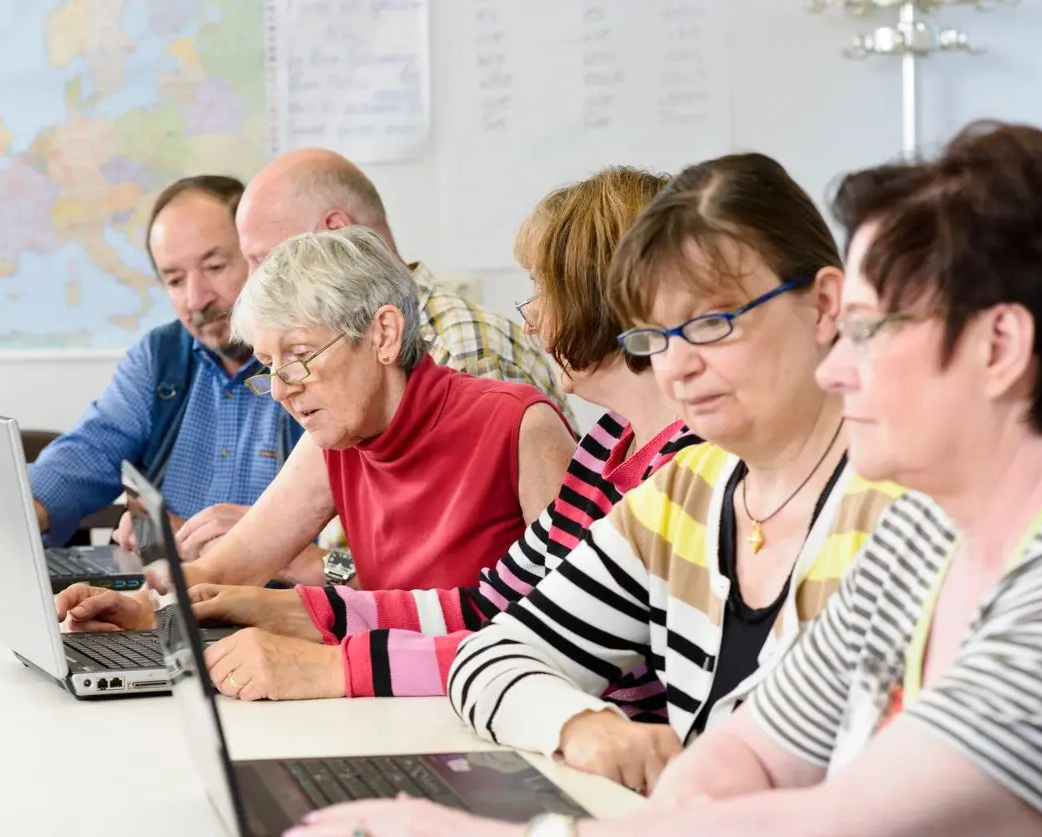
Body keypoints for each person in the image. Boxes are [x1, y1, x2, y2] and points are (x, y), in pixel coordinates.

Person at [292, 123, 1042, 837]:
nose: (844, 368)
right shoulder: (929, 532)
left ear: (999, 345)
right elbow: (754, 745)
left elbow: (845, 822)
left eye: (870, 331)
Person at [179, 166, 699, 703]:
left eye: (545, 291)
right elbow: (485, 606)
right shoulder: (605, 445)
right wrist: (298, 611)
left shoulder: (690, 466)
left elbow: (554, 647)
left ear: (610, 295)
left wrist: (333, 666)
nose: (532, 322)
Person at [56, 226, 579, 686]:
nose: (282, 391)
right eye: (269, 364)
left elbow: (572, 634)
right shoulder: (336, 437)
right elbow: (228, 569)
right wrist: (141, 609)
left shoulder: (520, 427)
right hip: (383, 691)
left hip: (478, 699)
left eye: (300, 356)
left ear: (384, 334)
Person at [159, 148, 578, 561]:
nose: (281, 389)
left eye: (266, 260)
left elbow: (463, 590)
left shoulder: (469, 358)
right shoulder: (342, 418)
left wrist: (301, 578)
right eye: (269, 365)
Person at [0, 176, 303, 563]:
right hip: (167, 600)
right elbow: (92, 448)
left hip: (284, 603)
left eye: (215, 266)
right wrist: (3, 528)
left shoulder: (312, 364)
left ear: (259, 258)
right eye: (174, 279)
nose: (196, 298)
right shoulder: (162, 356)